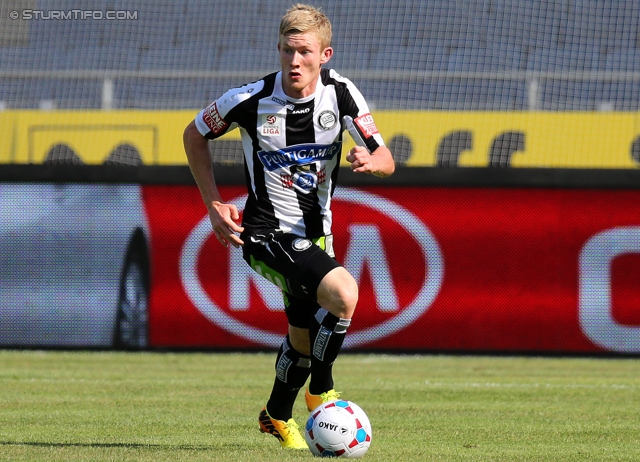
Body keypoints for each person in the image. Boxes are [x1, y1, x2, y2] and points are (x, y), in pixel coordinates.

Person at [183, 3, 395, 450]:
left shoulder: (341, 94)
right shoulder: (249, 99)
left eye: (303, 52)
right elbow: (194, 134)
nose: (294, 61)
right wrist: (213, 203)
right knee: (344, 295)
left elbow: (385, 156)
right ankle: (322, 388)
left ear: (325, 54)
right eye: (286, 51)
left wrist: (371, 159)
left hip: (318, 235)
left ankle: (277, 414)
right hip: (264, 234)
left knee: (302, 338)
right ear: (278, 49)